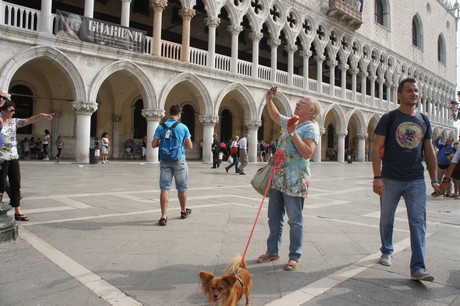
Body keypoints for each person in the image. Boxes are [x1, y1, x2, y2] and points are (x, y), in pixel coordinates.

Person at [371, 77, 439, 282]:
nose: (414, 94)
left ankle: (418, 266)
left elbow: (429, 152)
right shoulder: (389, 118)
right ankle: (387, 249)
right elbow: (376, 149)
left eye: (416, 91)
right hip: (390, 178)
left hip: (416, 180)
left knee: (418, 222)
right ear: (399, 94)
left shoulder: (424, 120)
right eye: (409, 90)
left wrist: (434, 180)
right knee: (386, 218)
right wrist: (377, 177)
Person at [257, 87, 320, 271]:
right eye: (299, 101)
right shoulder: (292, 121)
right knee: (274, 217)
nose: (298, 103)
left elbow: (308, 153)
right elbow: (276, 116)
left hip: (295, 180)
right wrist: (269, 99)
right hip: (278, 178)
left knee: (295, 220)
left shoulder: (311, 127)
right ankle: (272, 251)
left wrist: (293, 133)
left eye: (303, 102)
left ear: (311, 110)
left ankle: (294, 256)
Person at [0, 99, 54, 221]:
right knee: (1, 185)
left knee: (16, 184)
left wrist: (41, 115)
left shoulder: (14, 122)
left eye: (14, 110)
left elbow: (29, 120)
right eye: (11, 110)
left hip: (14, 157)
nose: (13, 112)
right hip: (1, 159)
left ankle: (17, 212)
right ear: (3, 110)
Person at [151, 104, 193, 226]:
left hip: (164, 159)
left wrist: (162, 143)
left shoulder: (161, 126)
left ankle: (163, 216)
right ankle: (183, 210)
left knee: (164, 188)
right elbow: (190, 146)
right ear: (179, 114)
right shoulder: (183, 127)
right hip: (179, 159)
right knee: (182, 187)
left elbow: (153, 145)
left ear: (170, 113)